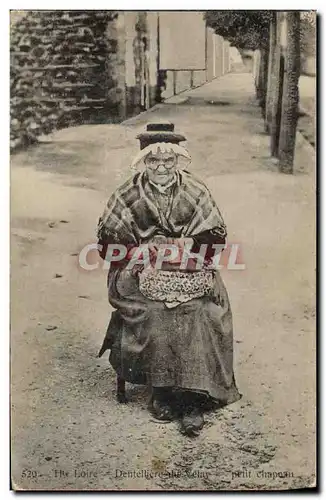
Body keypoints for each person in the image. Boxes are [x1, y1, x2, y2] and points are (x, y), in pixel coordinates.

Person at [97, 122, 241, 436]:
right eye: (153, 161)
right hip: (137, 271)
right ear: (142, 162)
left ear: (178, 161)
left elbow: (215, 238)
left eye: (168, 161)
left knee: (201, 307)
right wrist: (144, 253)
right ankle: (161, 391)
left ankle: (191, 396)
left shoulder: (195, 189)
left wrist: (185, 246)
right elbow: (108, 246)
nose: (161, 168)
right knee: (157, 310)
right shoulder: (126, 194)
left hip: (188, 267)